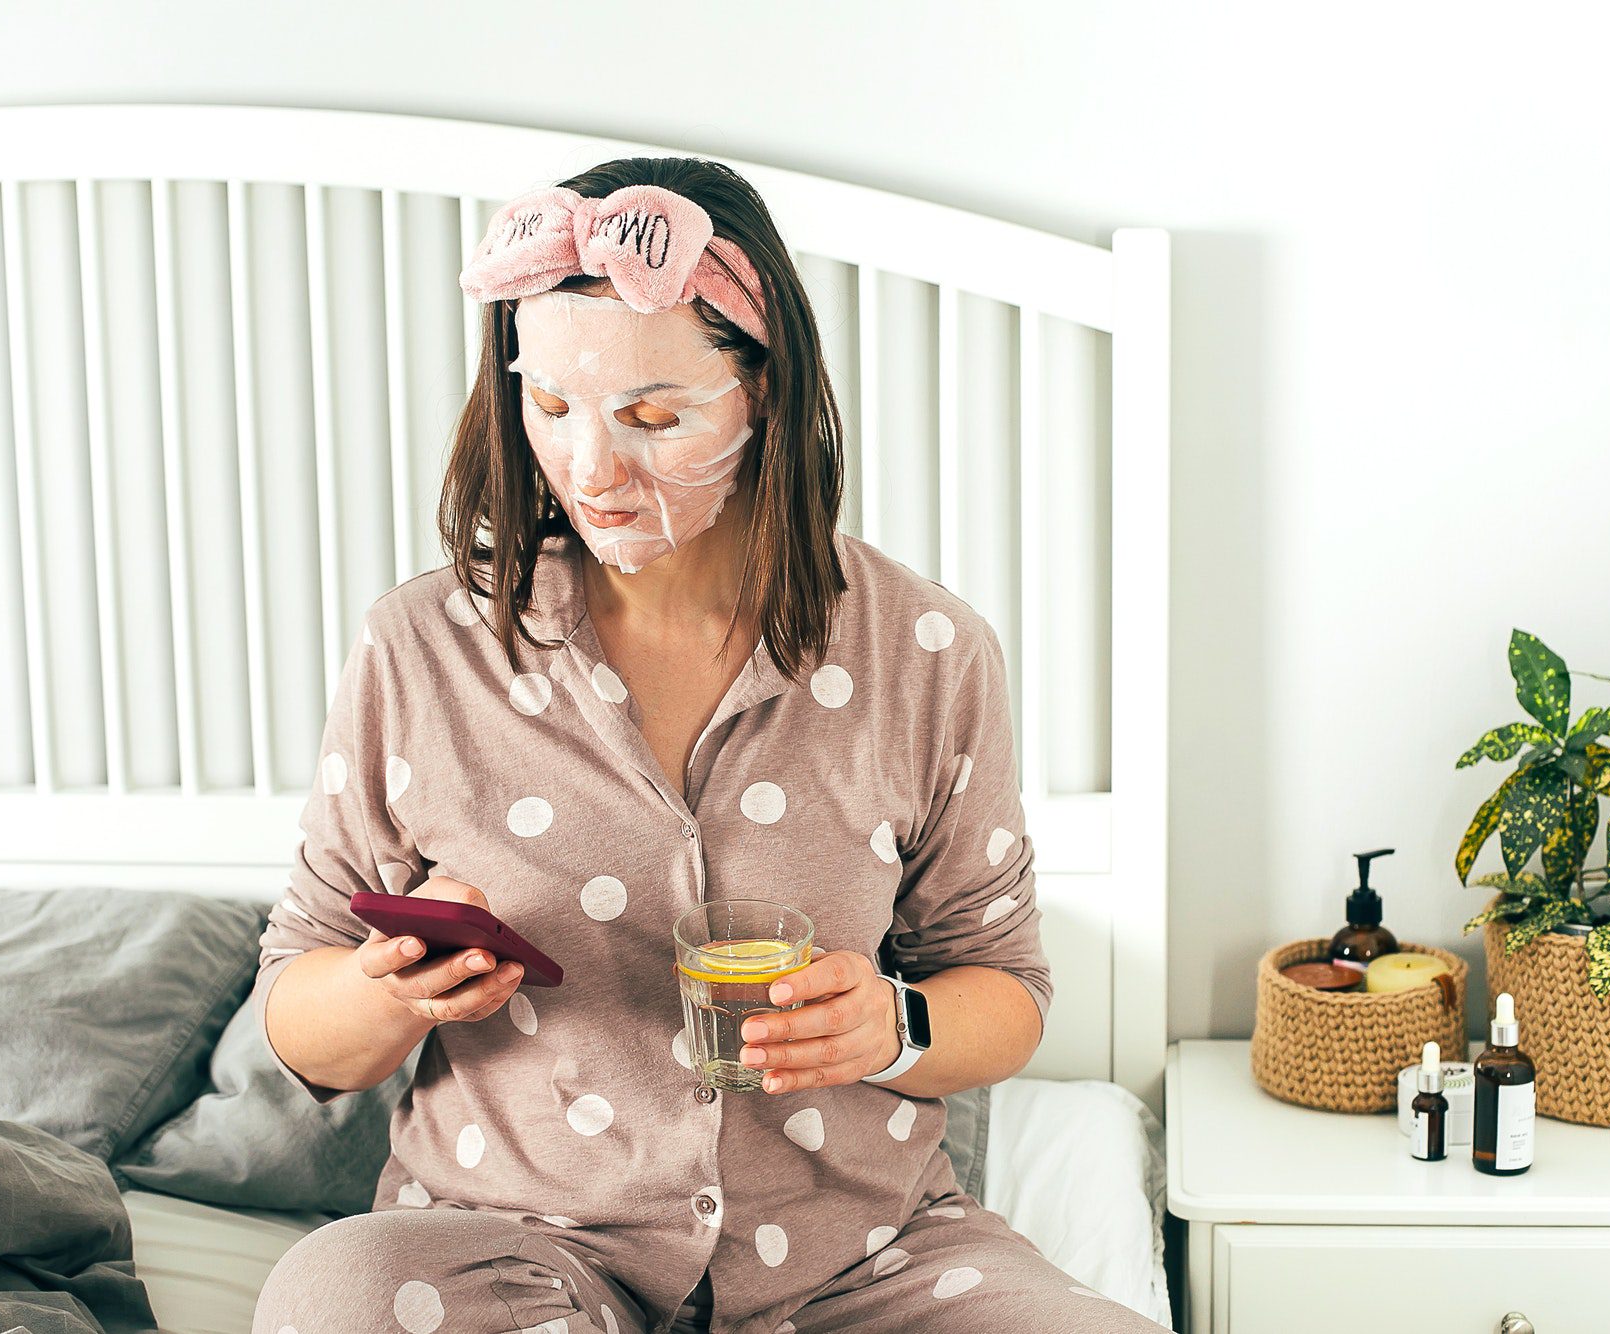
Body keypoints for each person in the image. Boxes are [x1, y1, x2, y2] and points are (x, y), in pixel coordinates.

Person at [250, 158, 1162, 1334]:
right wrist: (386, 995)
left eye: (651, 414)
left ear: (762, 392)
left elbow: (1006, 986)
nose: (587, 467)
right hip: (522, 1257)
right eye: (551, 406)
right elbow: (299, 1010)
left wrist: (893, 1025)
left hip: (862, 1266)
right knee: (333, 1297)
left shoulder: (928, 651)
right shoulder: (421, 646)